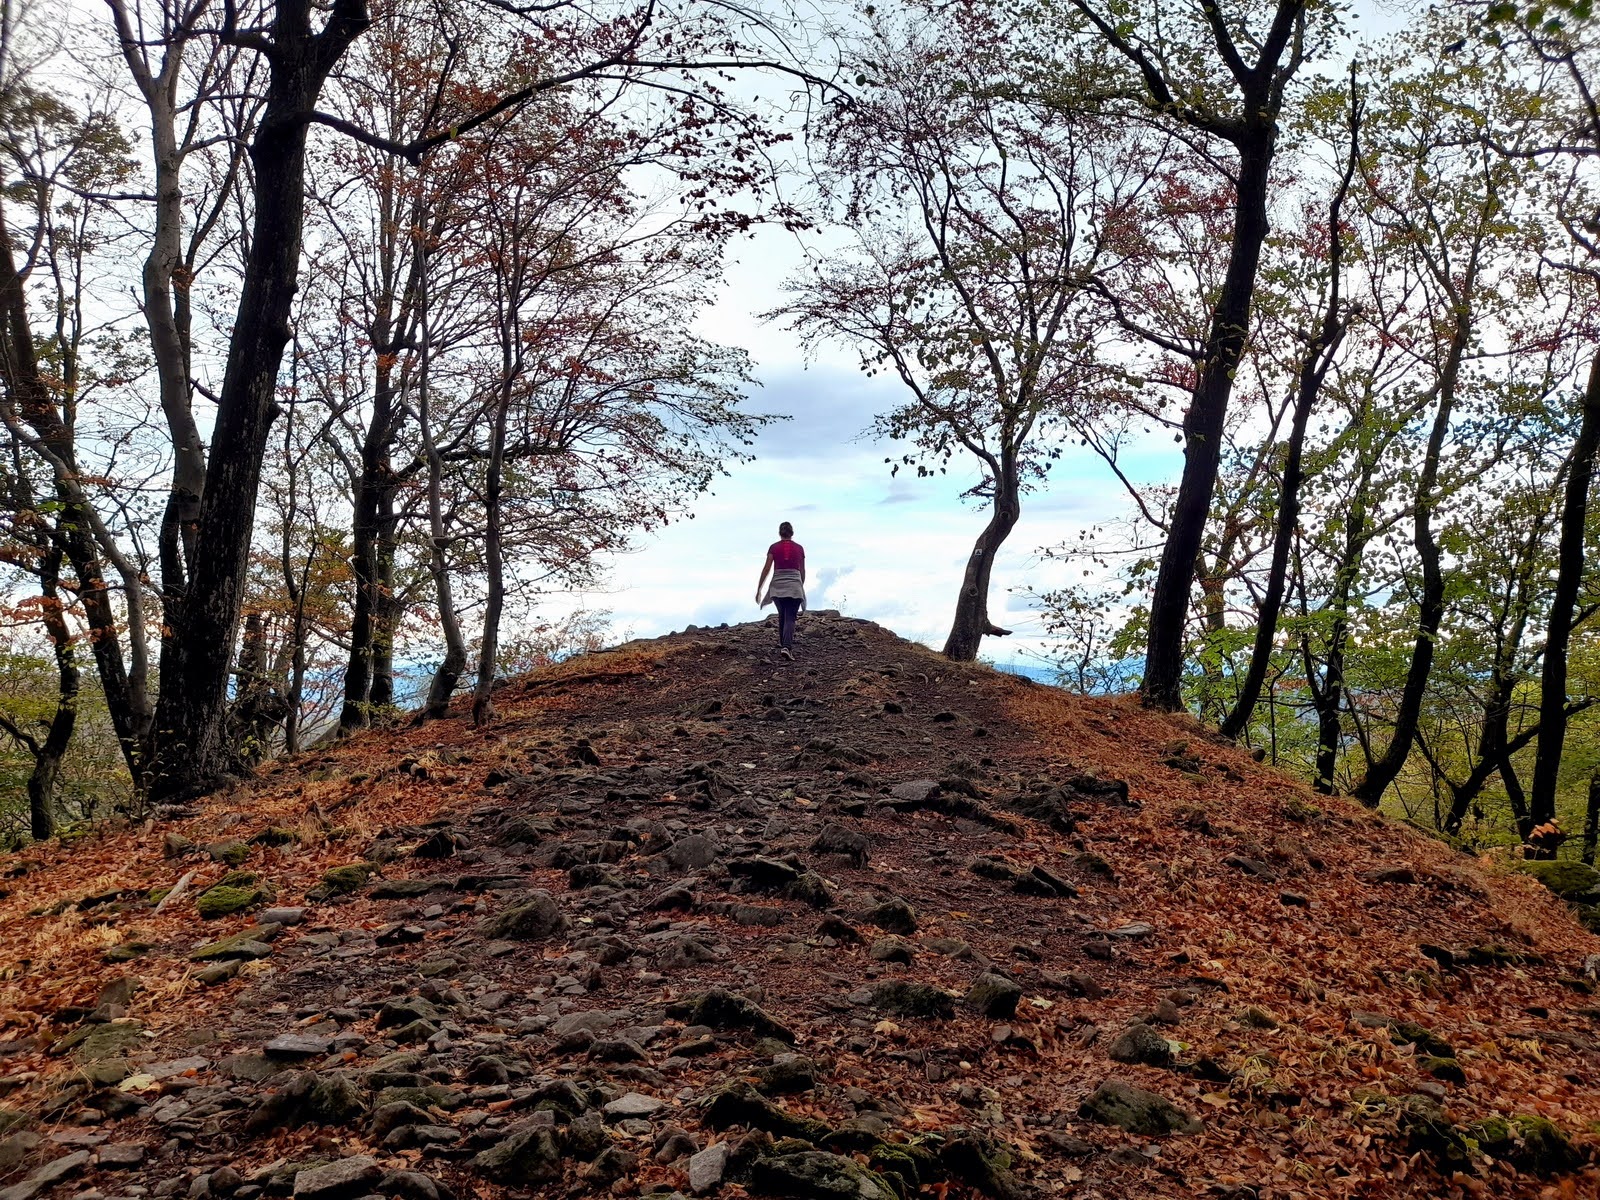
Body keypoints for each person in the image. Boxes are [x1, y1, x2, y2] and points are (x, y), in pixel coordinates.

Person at [756, 521, 806, 659]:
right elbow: (802, 569)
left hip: (777, 586)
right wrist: (801, 584)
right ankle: (786, 647)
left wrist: (759, 588)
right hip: (794, 585)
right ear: (792, 533)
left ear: (780, 533)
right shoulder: (800, 548)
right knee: (790, 616)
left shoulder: (773, 547)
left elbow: (766, 568)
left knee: (782, 615)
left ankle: (783, 644)